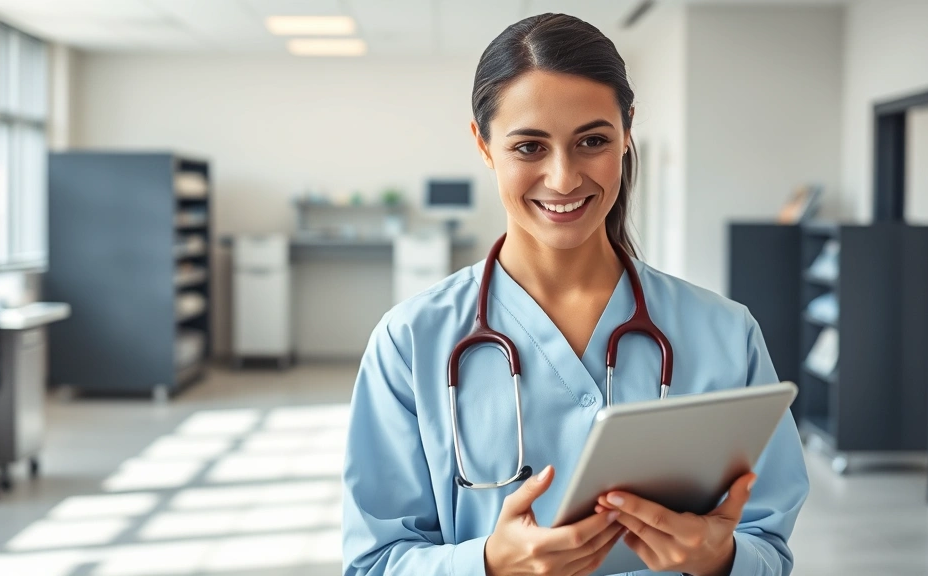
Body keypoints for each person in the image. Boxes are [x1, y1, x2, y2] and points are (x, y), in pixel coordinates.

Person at [342, 12, 808, 576]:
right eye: (529, 147)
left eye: (592, 140)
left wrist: (720, 559)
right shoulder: (410, 343)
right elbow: (373, 563)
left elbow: (768, 549)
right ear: (483, 144)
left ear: (627, 130)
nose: (563, 178)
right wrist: (488, 563)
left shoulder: (726, 335)